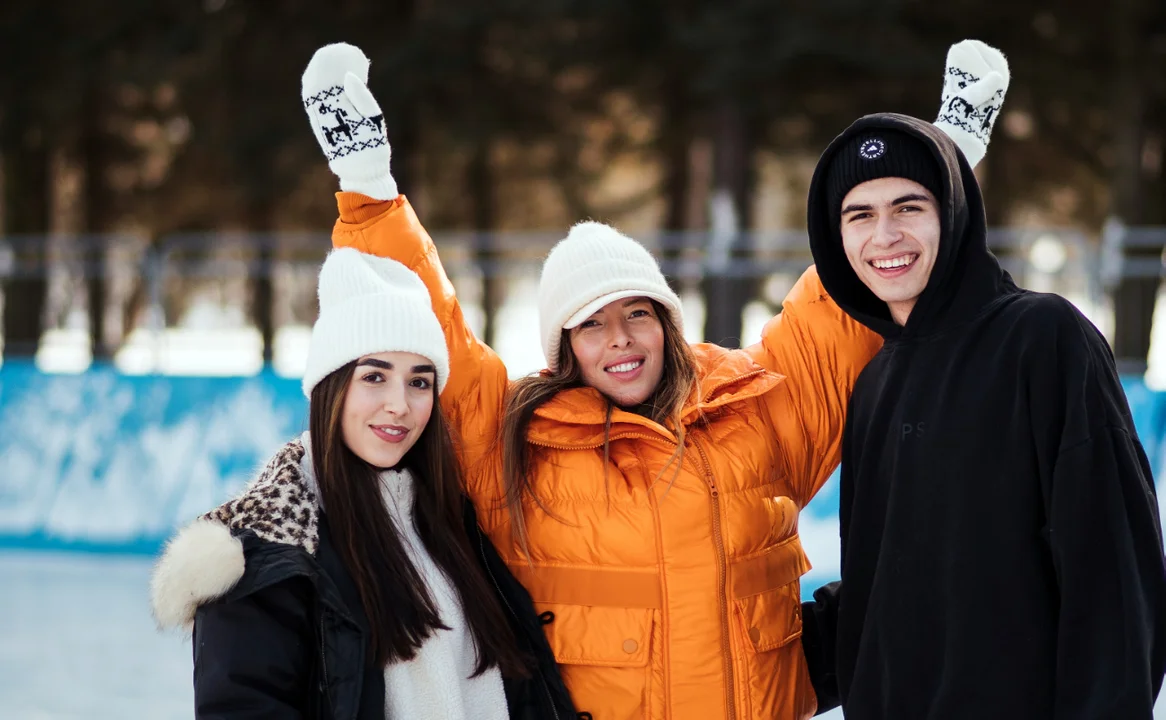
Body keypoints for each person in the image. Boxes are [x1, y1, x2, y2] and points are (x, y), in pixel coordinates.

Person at [297, 41, 1003, 719]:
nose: (621, 340)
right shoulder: (518, 446)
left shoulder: (750, 412)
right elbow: (434, 327)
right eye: (592, 324)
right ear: (564, 348)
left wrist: (947, 158)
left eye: (638, 313)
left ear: (667, 321)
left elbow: (838, 311)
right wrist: (367, 184)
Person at [799, 110, 1166, 719]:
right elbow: (881, 588)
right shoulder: (874, 383)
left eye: (908, 207)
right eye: (859, 215)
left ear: (953, 213)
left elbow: (1114, 577)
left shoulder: (1043, 337)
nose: (884, 236)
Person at [149, 248, 575, 719]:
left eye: (419, 382)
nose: (400, 405)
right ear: (331, 387)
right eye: (374, 376)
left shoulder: (451, 522)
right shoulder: (266, 554)